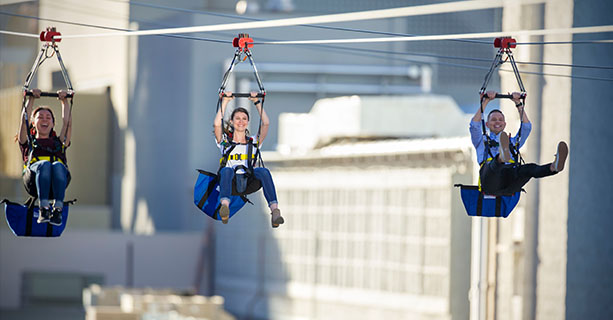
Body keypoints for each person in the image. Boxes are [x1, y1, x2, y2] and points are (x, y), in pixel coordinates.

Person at [470, 91, 568, 196]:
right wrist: (485, 102)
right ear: (487, 124)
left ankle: (553, 167)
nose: (497, 122)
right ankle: (501, 158)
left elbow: (526, 127)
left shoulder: (512, 142)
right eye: (494, 120)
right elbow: (474, 125)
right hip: (490, 183)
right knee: (492, 167)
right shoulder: (481, 141)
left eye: (500, 120)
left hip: (509, 182)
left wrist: (518, 104)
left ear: (504, 124)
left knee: (529, 168)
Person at [213, 91, 284, 227]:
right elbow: (217, 125)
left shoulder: (253, 141)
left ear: (247, 122)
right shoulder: (224, 142)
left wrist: (257, 102)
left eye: (244, 118)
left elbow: (266, 123)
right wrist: (225, 101)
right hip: (231, 182)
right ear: (232, 122)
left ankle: (275, 210)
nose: (241, 121)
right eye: (237, 118)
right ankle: (225, 207)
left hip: (249, 180)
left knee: (263, 171)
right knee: (226, 170)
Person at [17, 88, 72, 226]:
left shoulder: (59, 143)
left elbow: (67, 123)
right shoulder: (27, 142)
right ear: (34, 123)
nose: (44, 120)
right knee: (44, 165)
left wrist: (65, 101)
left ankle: (57, 209)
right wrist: (31, 99)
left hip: (56, 182)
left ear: (53, 124)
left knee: (58, 165)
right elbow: (23, 122)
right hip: (33, 181)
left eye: (48, 118)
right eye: (40, 117)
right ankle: (44, 208)